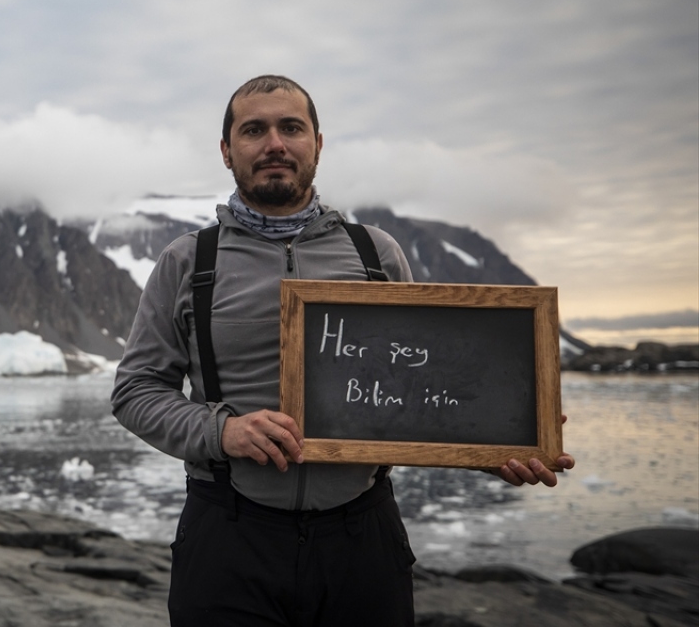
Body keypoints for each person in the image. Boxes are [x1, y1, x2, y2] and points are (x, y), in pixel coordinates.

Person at [110, 74, 576, 626]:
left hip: (362, 540)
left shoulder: (376, 254)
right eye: (254, 130)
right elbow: (135, 390)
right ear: (227, 151)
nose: (274, 144)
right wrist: (223, 431)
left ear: (318, 144)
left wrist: (497, 442)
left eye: (291, 128)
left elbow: (422, 390)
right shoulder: (188, 262)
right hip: (228, 538)